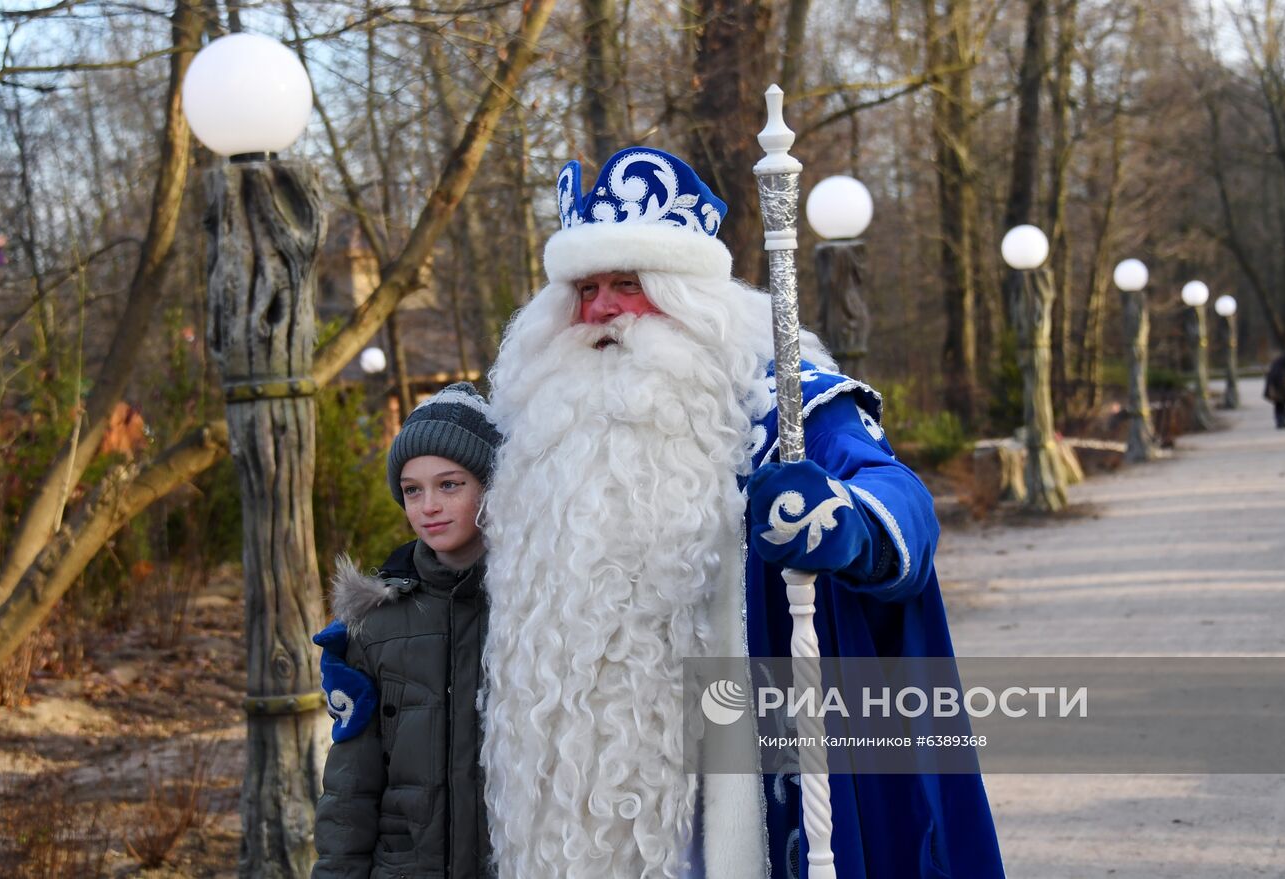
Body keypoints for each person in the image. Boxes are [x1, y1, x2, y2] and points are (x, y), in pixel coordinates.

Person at [478, 147, 1003, 878]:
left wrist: (841, 521)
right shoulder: (540, 437)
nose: (599, 310)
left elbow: (899, 500)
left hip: (744, 796)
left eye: (626, 284)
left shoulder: (782, 411)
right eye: (584, 287)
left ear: (686, 295)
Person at [311, 383, 502, 879]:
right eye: (413, 490)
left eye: (450, 485)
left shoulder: (533, 610)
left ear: (492, 485)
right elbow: (351, 787)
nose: (429, 506)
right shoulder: (375, 626)